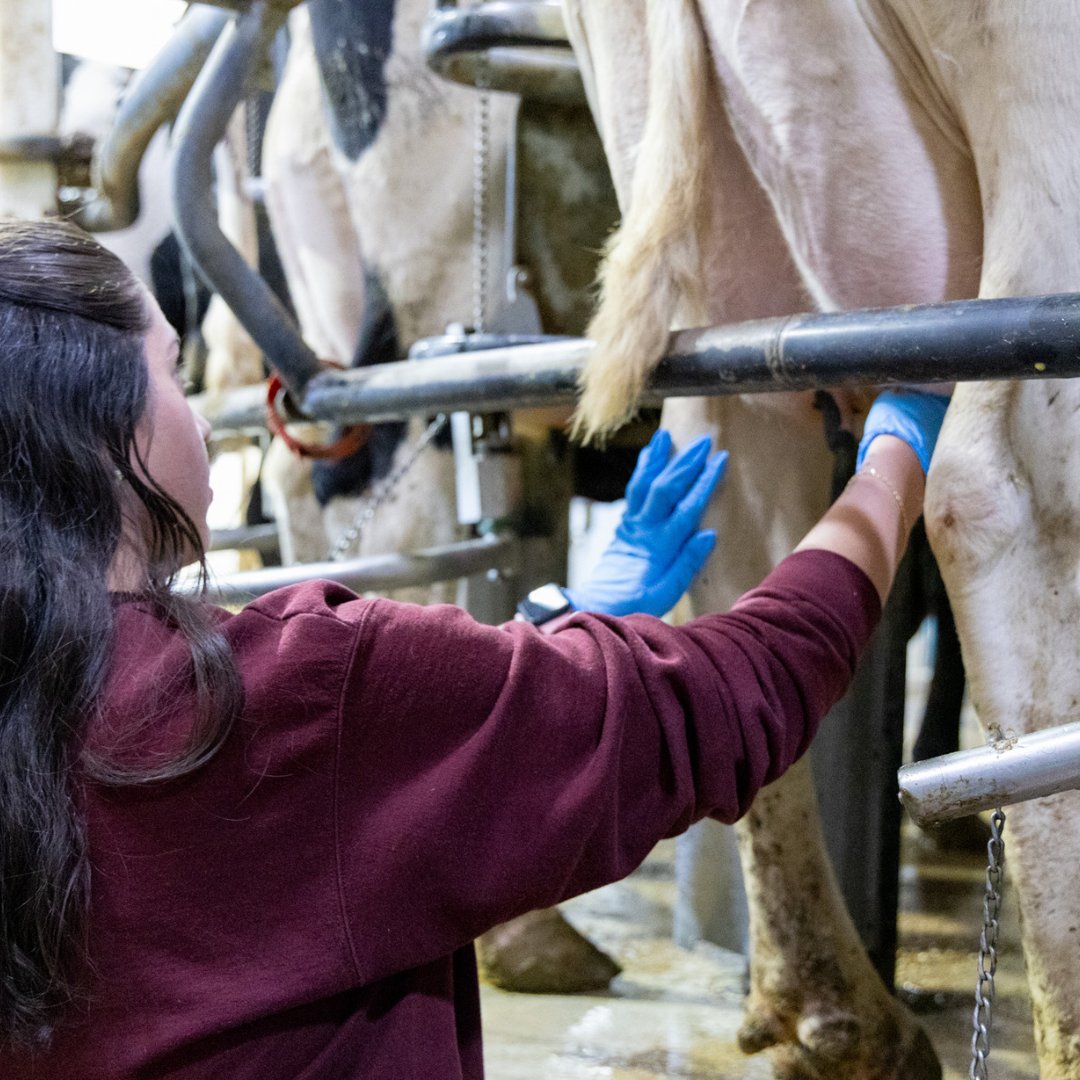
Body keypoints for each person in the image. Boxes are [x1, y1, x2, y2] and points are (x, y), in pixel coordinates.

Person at [0, 217, 948, 1078]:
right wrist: (894, 463)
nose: (204, 416)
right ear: (95, 422)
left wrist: (554, 620)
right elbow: (734, 693)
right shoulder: (296, 692)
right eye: (174, 372)